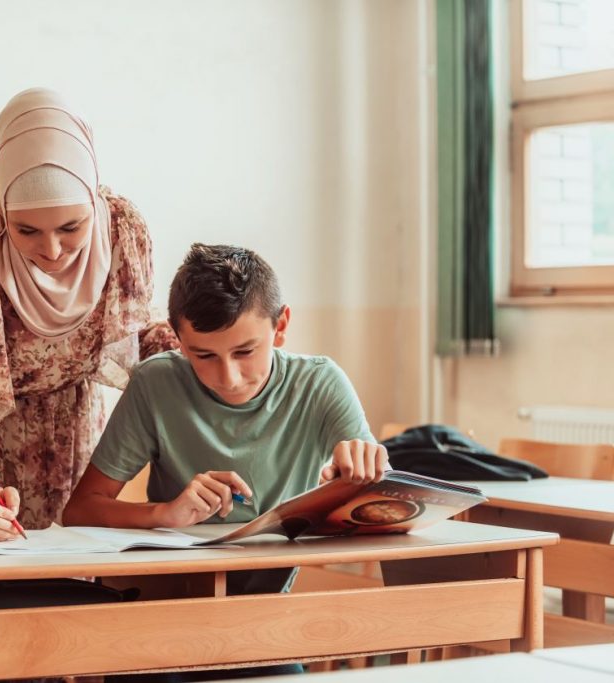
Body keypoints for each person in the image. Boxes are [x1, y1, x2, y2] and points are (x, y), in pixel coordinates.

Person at [63, 243, 389, 679]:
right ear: (177, 340)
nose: (228, 377)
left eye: (245, 351)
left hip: (262, 621)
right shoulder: (156, 384)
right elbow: (80, 511)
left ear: (281, 326)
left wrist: (354, 483)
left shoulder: (320, 384)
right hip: (159, 621)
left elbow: (377, 497)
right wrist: (166, 513)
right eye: (203, 356)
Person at [0, 88, 176, 538]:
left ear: (93, 198)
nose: (51, 251)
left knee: (62, 591)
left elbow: (135, 324)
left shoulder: (121, 231)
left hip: (65, 435)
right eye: (26, 230)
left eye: (71, 227)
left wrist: (203, 366)